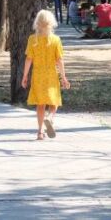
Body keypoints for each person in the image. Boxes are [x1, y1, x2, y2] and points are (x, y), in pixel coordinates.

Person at [21, 9, 70, 140]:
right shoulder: (56, 40)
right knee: (54, 101)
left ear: (37, 23)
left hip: (37, 76)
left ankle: (40, 132)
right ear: (51, 23)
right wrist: (63, 77)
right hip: (51, 75)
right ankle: (50, 118)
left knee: (40, 104)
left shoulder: (32, 39)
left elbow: (28, 59)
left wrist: (25, 76)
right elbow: (59, 60)